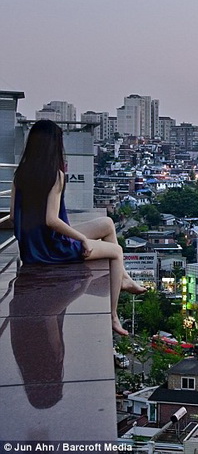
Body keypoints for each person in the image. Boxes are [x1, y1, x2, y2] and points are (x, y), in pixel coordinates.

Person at [10, 119, 145, 335]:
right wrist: (81, 240)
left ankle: (124, 279)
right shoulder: (55, 175)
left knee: (107, 223)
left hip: (34, 247)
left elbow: (12, 216)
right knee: (116, 252)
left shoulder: (21, 174)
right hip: (52, 249)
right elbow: (51, 219)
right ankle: (112, 316)